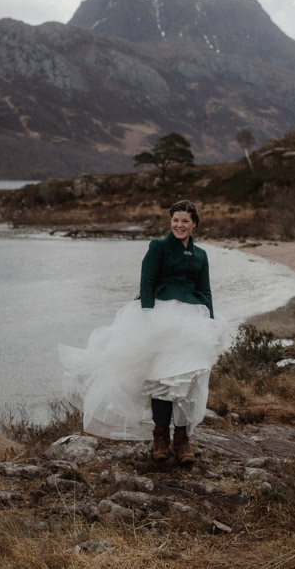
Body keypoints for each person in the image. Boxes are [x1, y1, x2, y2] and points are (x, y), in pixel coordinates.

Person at [59, 199, 231, 464]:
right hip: (160, 316)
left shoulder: (201, 255)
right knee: (161, 379)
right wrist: (148, 317)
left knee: (186, 380)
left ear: (194, 224)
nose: (179, 225)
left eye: (185, 220)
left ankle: (182, 438)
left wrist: (210, 320)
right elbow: (147, 283)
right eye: (175, 220)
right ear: (170, 221)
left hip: (192, 320)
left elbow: (205, 290)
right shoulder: (158, 247)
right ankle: (160, 435)